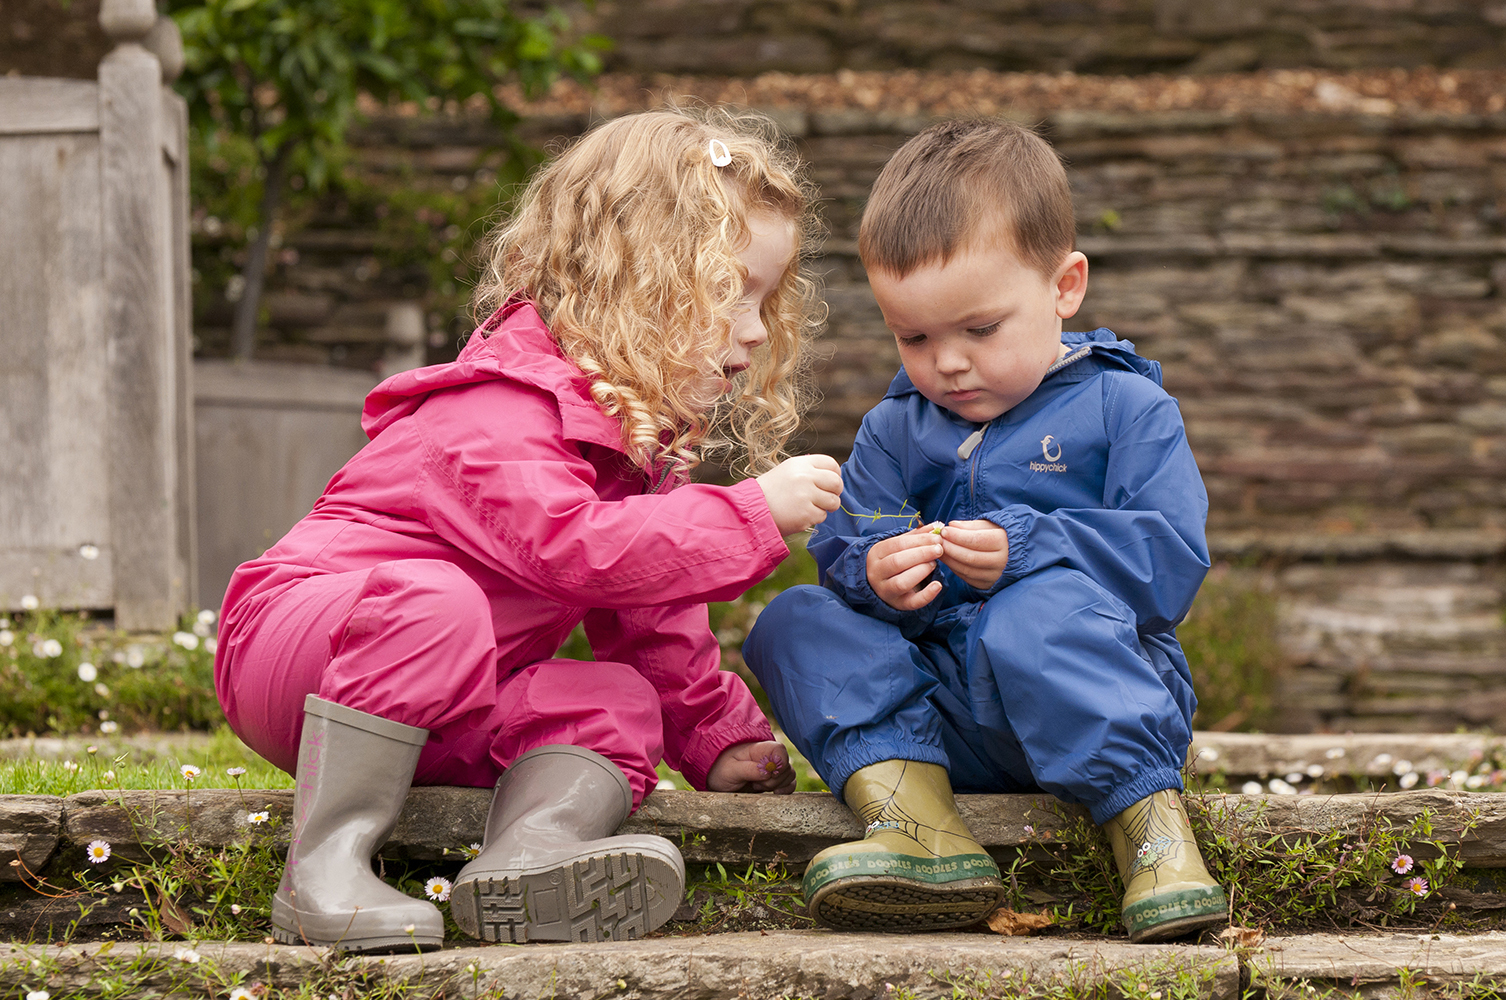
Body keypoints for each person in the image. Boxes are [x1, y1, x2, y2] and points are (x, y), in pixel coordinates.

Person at [214, 108, 845, 951]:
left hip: (446, 697)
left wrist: (712, 735)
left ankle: (529, 856)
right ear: (641, 283)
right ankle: (321, 870)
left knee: (614, 703)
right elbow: (577, 551)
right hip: (301, 648)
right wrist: (750, 511)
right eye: (734, 293)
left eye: (767, 300)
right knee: (438, 603)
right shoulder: (498, 407)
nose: (758, 330)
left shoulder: (634, 443)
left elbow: (649, 609)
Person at [744, 118, 1227, 942]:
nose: (948, 364)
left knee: (1027, 614)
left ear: (1064, 287)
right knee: (794, 621)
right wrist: (876, 575)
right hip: (945, 725)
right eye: (915, 337)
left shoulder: (1125, 409)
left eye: (980, 329)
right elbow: (850, 549)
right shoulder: (896, 429)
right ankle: (920, 829)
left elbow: (1170, 560)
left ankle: (1153, 837)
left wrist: (1034, 549)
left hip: (1096, 699)